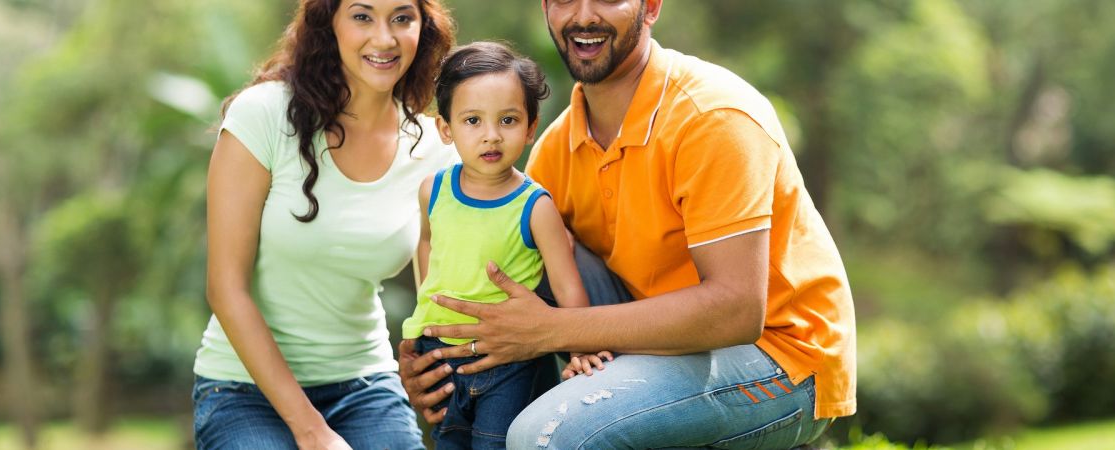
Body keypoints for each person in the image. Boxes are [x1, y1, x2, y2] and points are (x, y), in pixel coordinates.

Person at [399, 1, 857, 449]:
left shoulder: (712, 116)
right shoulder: (555, 150)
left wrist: (557, 331)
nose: (583, 15)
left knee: (546, 436)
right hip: (648, 341)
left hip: (780, 361)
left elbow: (737, 311)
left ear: (651, 6)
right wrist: (439, 359)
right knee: (519, 247)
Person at [193, 1, 455, 449]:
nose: (384, 38)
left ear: (423, 28)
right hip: (241, 390)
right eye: (362, 16)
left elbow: (442, 289)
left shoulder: (435, 148)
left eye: (401, 18)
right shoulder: (263, 116)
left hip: (365, 385)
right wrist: (312, 432)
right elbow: (224, 289)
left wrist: (426, 358)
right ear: (328, 25)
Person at [401, 41, 613, 450]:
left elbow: (567, 286)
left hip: (509, 363)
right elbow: (428, 243)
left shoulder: (536, 207)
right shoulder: (434, 190)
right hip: (442, 355)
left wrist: (580, 347)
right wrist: (426, 310)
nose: (491, 135)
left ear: (531, 127)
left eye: (508, 120)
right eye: (473, 121)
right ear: (446, 129)